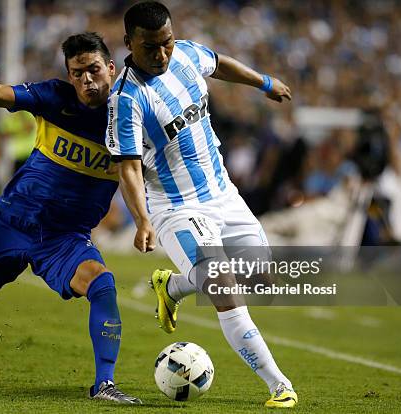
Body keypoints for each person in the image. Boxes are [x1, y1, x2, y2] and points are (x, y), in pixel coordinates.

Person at [0, 32, 142, 405]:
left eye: (93, 70)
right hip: (10, 223)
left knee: (103, 283)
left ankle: (104, 385)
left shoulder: (133, 117)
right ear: (69, 75)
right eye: (77, 73)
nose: (86, 80)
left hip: (64, 238)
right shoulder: (54, 97)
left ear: (111, 68)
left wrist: (145, 220)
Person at [107, 2, 297, 408]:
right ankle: (279, 386)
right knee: (223, 287)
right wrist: (142, 220)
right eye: (150, 48)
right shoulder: (126, 99)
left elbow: (219, 63)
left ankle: (171, 285)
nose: (161, 55)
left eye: (167, 44)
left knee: (261, 279)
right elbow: (128, 168)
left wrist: (264, 82)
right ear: (128, 44)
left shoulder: (186, 55)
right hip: (175, 208)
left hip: (223, 194)